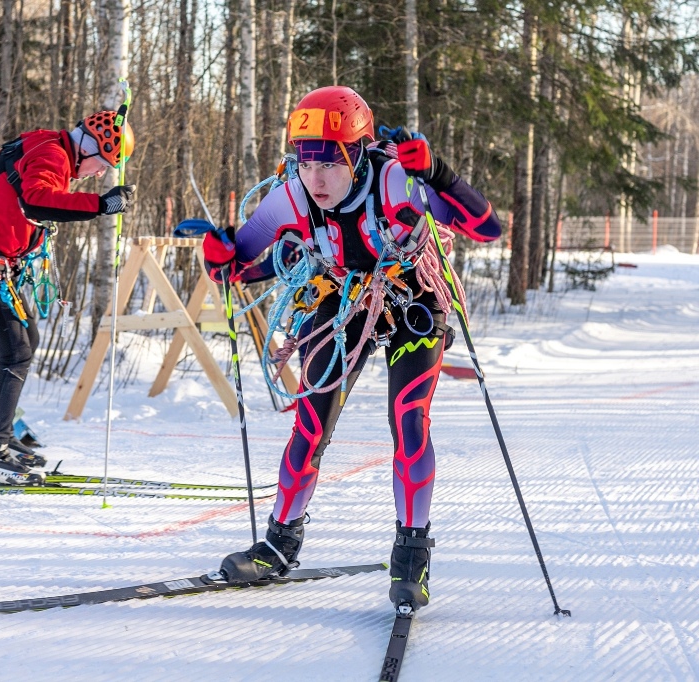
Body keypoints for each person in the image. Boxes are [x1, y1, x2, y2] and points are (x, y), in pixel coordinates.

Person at [204, 86, 501, 612]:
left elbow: (486, 228)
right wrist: (220, 257)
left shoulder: (396, 179)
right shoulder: (292, 195)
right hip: (343, 297)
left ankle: (412, 557)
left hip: (413, 297)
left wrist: (438, 174)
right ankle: (279, 544)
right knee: (311, 422)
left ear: (358, 152)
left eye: (329, 162)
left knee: (409, 421)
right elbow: (244, 264)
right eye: (304, 160)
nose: (315, 178)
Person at [0, 110, 136, 486]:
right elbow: (37, 201)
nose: (99, 174)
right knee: (15, 351)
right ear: (91, 147)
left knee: (25, 343)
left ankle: (2, 438)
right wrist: (101, 204)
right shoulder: (53, 155)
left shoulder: (52, 146)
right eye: (103, 164)